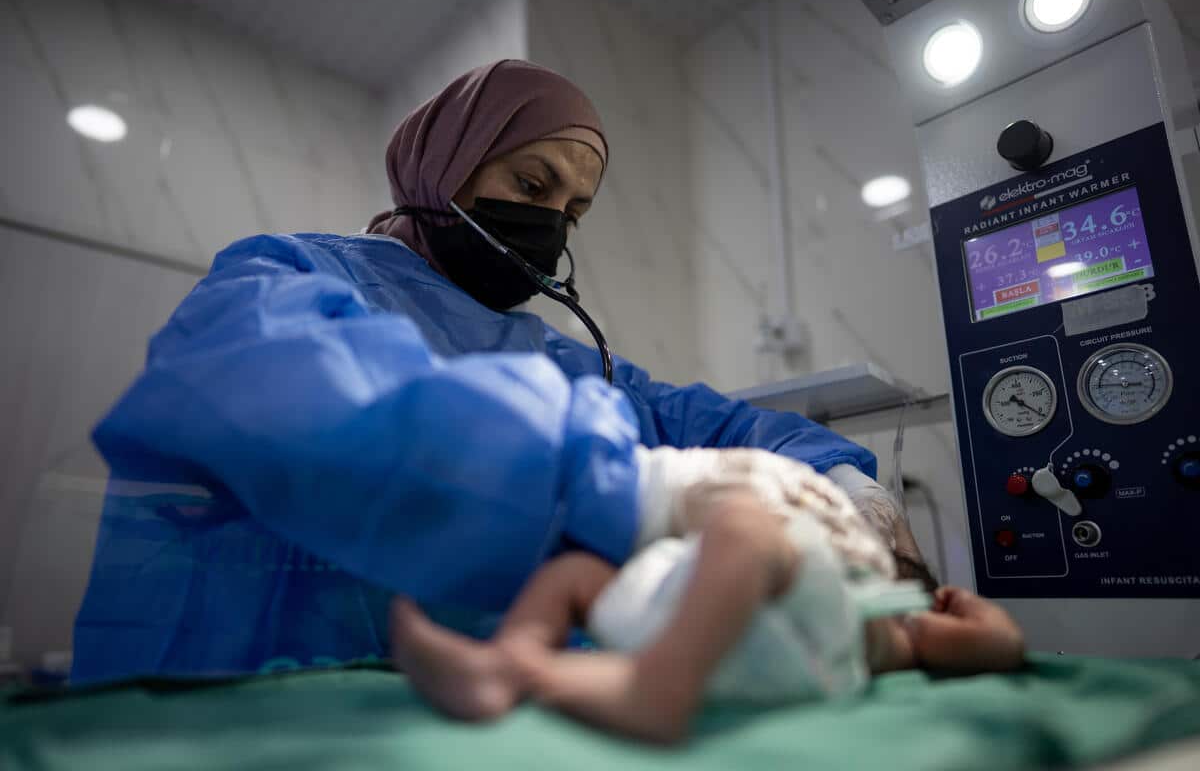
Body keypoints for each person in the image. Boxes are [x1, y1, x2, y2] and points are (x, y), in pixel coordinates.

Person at [72, 60, 924, 685]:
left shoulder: (558, 358)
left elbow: (725, 428)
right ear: (446, 164)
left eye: (573, 210)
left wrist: (851, 488)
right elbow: (285, 399)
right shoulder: (287, 277)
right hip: (234, 700)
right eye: (532, 181)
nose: (550, 224)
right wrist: (619, 490)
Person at [391, 449, 1025, 745]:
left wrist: (977, 619)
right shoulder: (766, 560)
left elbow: (999, 647)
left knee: (745, 522)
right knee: (580, 568)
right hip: (691, 615)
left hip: (792, 646)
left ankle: (656, 690)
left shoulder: (896, 622)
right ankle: (508, 663)